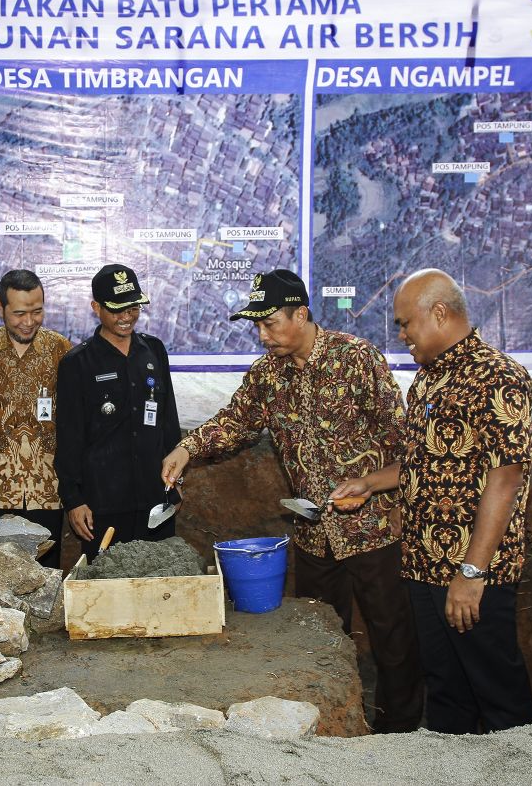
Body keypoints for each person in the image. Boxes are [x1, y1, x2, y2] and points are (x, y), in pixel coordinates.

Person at [161, 269, 423, 734]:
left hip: (373, 529)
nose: (263, 336)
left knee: (392, 635)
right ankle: (328, 723)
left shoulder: (356, 359)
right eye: (257, 327)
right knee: (317, 635)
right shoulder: (268, 375)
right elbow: (234, 420)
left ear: (300, 314)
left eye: (270, 324)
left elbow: (406, 444)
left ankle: (401, 731)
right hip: (313, 534)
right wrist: (187, 448)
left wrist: (374, 487)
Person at [333, 268, 532, 734]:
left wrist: (471, 574)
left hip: (474, 572)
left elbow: (504, 482)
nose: (401, 334)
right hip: (423, 565)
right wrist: (369, 483)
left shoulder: (499, 377)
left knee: (497, 692)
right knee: (445, 691)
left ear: (440, 313)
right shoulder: (425, 383)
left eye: (406, 323)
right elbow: (421, 463)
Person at [55, 264, 181, 561]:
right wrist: (74, 500)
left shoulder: (154, 351)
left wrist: (175, 484)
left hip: (155, 500)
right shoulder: (78, 363)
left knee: (159, 586)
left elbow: (168, 421)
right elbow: (69, 438)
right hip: (104, 505)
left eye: (133, 307)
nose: (127, 317)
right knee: (107, 592)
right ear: (95, 307)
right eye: (117, 310)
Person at [0, 270, 72, 569]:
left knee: (46, 584)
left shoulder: (62, 351)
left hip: (48, 492)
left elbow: (74, 422)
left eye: (37, 312)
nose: (28, 321)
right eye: (19, 313)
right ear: (0, 308)